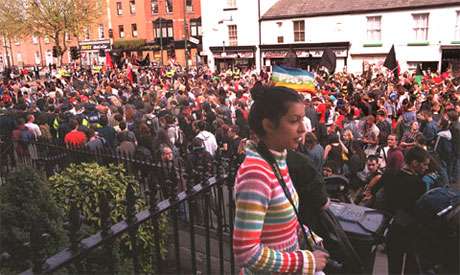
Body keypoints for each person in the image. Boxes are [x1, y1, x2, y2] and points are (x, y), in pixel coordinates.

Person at [233, 85, 328, 274]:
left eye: (303, 120)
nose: (303, 129)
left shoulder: (278, 160)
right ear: (268, 125)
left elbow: (278, 221)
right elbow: (246, 253)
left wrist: (307, 235)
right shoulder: (256, 174)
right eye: (294, 121)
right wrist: (305, 261)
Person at [383, 146, 431, 274]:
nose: (426, 168)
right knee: (412, 268)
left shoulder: (391, 175)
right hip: (411, 232)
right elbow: (419, 210)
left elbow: (385, 201)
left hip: (393, 229)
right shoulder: (418, 184)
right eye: (425, 165)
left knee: (394, 268)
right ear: (415, 163)